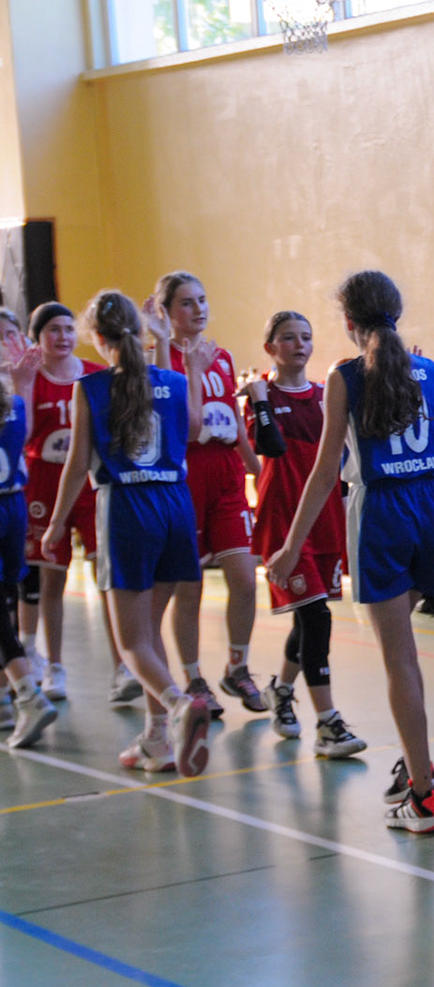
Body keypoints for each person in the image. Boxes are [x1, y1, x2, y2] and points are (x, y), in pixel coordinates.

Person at [266, 271, 434, 833]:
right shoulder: (429, 370)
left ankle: (423, 795)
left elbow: (326, 473)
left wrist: (290, 546)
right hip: (432, 506)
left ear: (348, 322)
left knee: (400, 660)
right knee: (404, 649)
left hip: (384, 512)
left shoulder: (345, 376)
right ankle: (417, 763)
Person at [44, 291, 213, 774]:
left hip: (127, 508)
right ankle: (156, 739)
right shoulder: (172, 381)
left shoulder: (91, 387)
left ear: (98, 338)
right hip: (175, 507)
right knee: (149, 632)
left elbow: (77, 464)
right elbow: (193, 431)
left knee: (132, 643)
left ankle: (180, 707)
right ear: (140, 332)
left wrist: (56, 523)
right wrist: (167, 349)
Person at [246, 310, 367, 759]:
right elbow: (271, 446)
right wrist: (261, 401)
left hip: (325, 517)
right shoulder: (260, 395)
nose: (299, 344)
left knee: (307, 616)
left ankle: (280, 690)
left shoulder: (323, 394)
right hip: (284, 520)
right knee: (317, 617)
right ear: (270, 348)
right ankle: (328, 722)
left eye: (306, 337)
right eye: (288, 338)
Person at [150, 272, 266, 719]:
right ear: (165, 312)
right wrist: (191, 369)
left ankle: (237, 667)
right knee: (190, 587)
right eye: (186, 302)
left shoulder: (222, 356)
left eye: (202, 299)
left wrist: (258, 469)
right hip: (185, 474)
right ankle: (194, 677)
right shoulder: (161, 360)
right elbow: (180, 427)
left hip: (226, 474)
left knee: (244, 578)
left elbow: (233, 418)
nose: (198, 309)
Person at [11, 302, 126, 705]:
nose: (62, 336)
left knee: (106, 575)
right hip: (45, 481)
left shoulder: (97, 376)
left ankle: (123, 666)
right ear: (37, 338)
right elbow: (24, 436)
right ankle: (54, 666)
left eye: (67, 328)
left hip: (91, 483)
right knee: (51, 578)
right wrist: (23, 384)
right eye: (53, 330)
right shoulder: (29, 376)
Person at [0, 336, 52, 748]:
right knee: (6, 602)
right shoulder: (14, 404)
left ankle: (27, 693)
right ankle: (7, 697)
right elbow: (28, 433)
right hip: (14, 506)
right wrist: (22, 382)